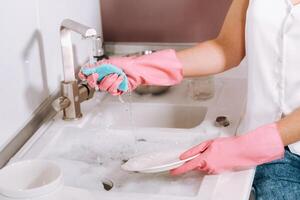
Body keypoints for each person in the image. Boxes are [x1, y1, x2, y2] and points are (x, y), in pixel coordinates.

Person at [79, 0, 300, 199]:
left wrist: (245, 148)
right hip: (270, 156)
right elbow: (226, 49)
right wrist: (139, 67)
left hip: (261, 147)